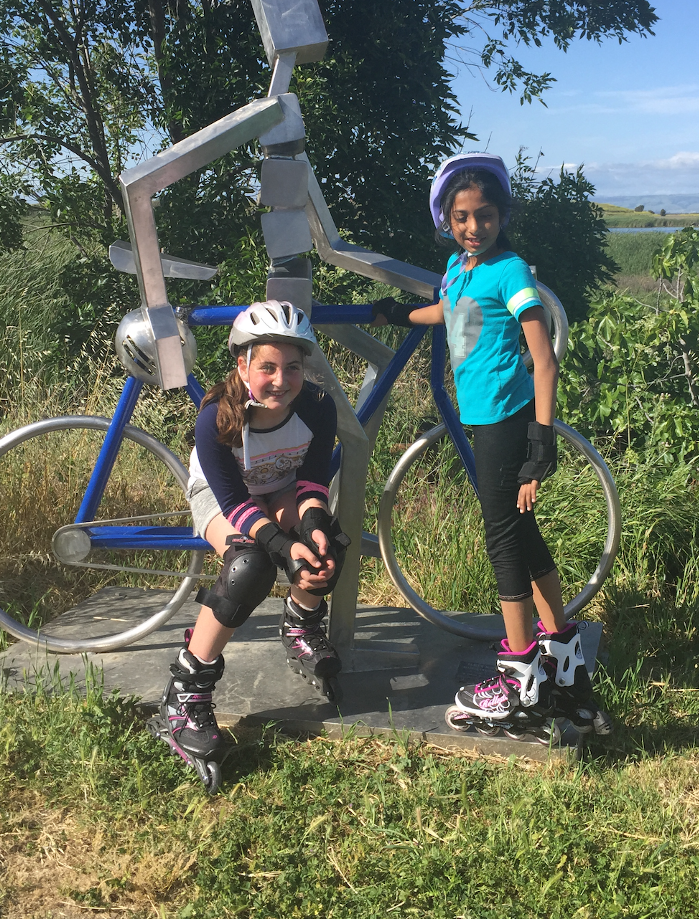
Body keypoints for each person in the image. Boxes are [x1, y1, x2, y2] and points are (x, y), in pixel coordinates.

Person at [371, 154, 610, 737]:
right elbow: (450, 311)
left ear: (502, 216)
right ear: (447, 221)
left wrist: (542, 439)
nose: (473, 227)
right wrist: (400, 314)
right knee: (522, 532)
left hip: (509, 418)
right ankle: (564, 663)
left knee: (501, 537)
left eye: (484, 216)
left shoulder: (510, 272)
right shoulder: (458, 268)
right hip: (483, 420)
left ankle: (519, 677)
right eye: (461, 217)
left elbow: (545, 358)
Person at [158, 301, 348, 767]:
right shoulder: (214, 419)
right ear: (242, 365)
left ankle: (300, 623)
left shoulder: (318, 408)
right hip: (223, 498)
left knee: (326, 546)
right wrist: (283, 545)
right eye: (267, 367)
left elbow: (312, 481)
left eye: (293, 368)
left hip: (281, 485)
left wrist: (314, 527)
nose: (281, 380)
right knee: (250, 565)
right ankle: (186, 690)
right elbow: (235, 504)